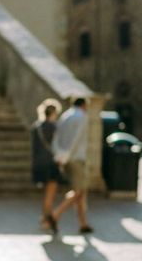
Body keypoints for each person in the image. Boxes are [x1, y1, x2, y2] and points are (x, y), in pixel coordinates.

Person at [49, 97, 93, 234]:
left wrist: (58, 154)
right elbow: (77, 138)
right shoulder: (82, 117)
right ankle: (56, 215)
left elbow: (57, 136)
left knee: (79, 191)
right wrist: (68, 155)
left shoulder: (65, 116)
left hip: (63, 156)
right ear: (84, 105)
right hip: (76, 157)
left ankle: (83, 223)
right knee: (79, 190)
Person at [31, 98, 63, 231]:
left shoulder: (36, 127)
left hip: (38, 163)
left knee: (46, 193)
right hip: (51, 163)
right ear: (54, 113)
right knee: (50, 193)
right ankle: (47, 219)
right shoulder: (54, 127)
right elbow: (58, 146)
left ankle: (44, 218)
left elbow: (34, 148)